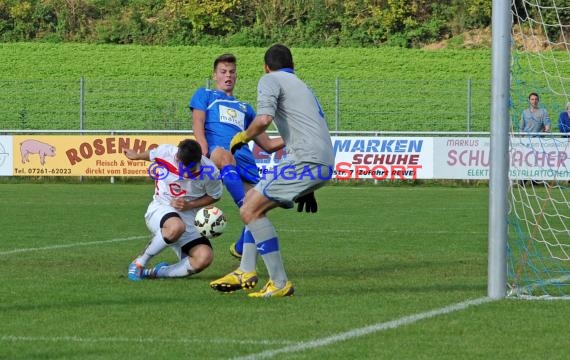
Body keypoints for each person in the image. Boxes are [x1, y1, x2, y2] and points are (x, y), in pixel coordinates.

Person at [209, 44, 335, 298]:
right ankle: (245, 269)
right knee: (256, 205)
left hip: (305, 161)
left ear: (266, 67)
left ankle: (278, 282)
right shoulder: (301, 85)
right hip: (318, 161)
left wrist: (243, 136)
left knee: (249, 208)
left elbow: (264, 118)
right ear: (293, 66)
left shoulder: (270, 79)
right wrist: (307, 186)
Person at [189, 53, 284, 259]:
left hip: (245, 161)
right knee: (225, 155)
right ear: (215, 75)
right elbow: (198, 122)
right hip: (216, 153)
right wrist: (202, 147)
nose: (228, 76)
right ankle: (244, 207)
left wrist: (293, 136)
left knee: (260, 206)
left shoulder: (245, 109)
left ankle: (240, 248)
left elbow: (267, 144)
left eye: (232, 72)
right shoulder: (205, 95)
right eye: (223, 72)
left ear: (236, 76)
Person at [125, 139, 223, 281]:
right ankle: (139, 263)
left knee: (204, 257)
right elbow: (152, 154)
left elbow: (215, 196)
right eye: (184, 168)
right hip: (161, 208)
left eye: (192, 169)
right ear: (177, 157)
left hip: (189, 216)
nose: (187, 174)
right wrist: (137, 156)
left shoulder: (210, 171)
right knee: (176, 226)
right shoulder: (165, 152)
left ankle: (157, 273)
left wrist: (190, 205)